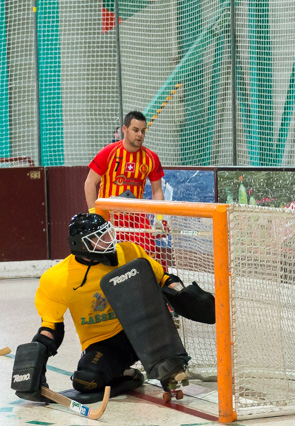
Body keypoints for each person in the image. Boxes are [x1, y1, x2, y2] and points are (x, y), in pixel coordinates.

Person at [10, 213, 215, 404]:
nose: (109, 241)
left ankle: (169, 366)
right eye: (100, 238)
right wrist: (36, 363)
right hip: (104, 342)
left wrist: (180, 292)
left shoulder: (129, 252)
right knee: (85, 381)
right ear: (81, 245)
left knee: (169, 367)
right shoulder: (57, 279)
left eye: (108, 234)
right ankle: (125, 374)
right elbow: (51, 328)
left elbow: (163, 278)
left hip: (145, 329)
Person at [84, 111, 167, 261]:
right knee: (109, 260)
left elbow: (157, 191)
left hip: (136, 217)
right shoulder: (108, 152)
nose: (140, 135)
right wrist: (94, 216)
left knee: (149, 256)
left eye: (143, 131)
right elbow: (89, 183)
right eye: (135, 130)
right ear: (124, 129)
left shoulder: (151, 158)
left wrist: (159, 219)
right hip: (109, 218)